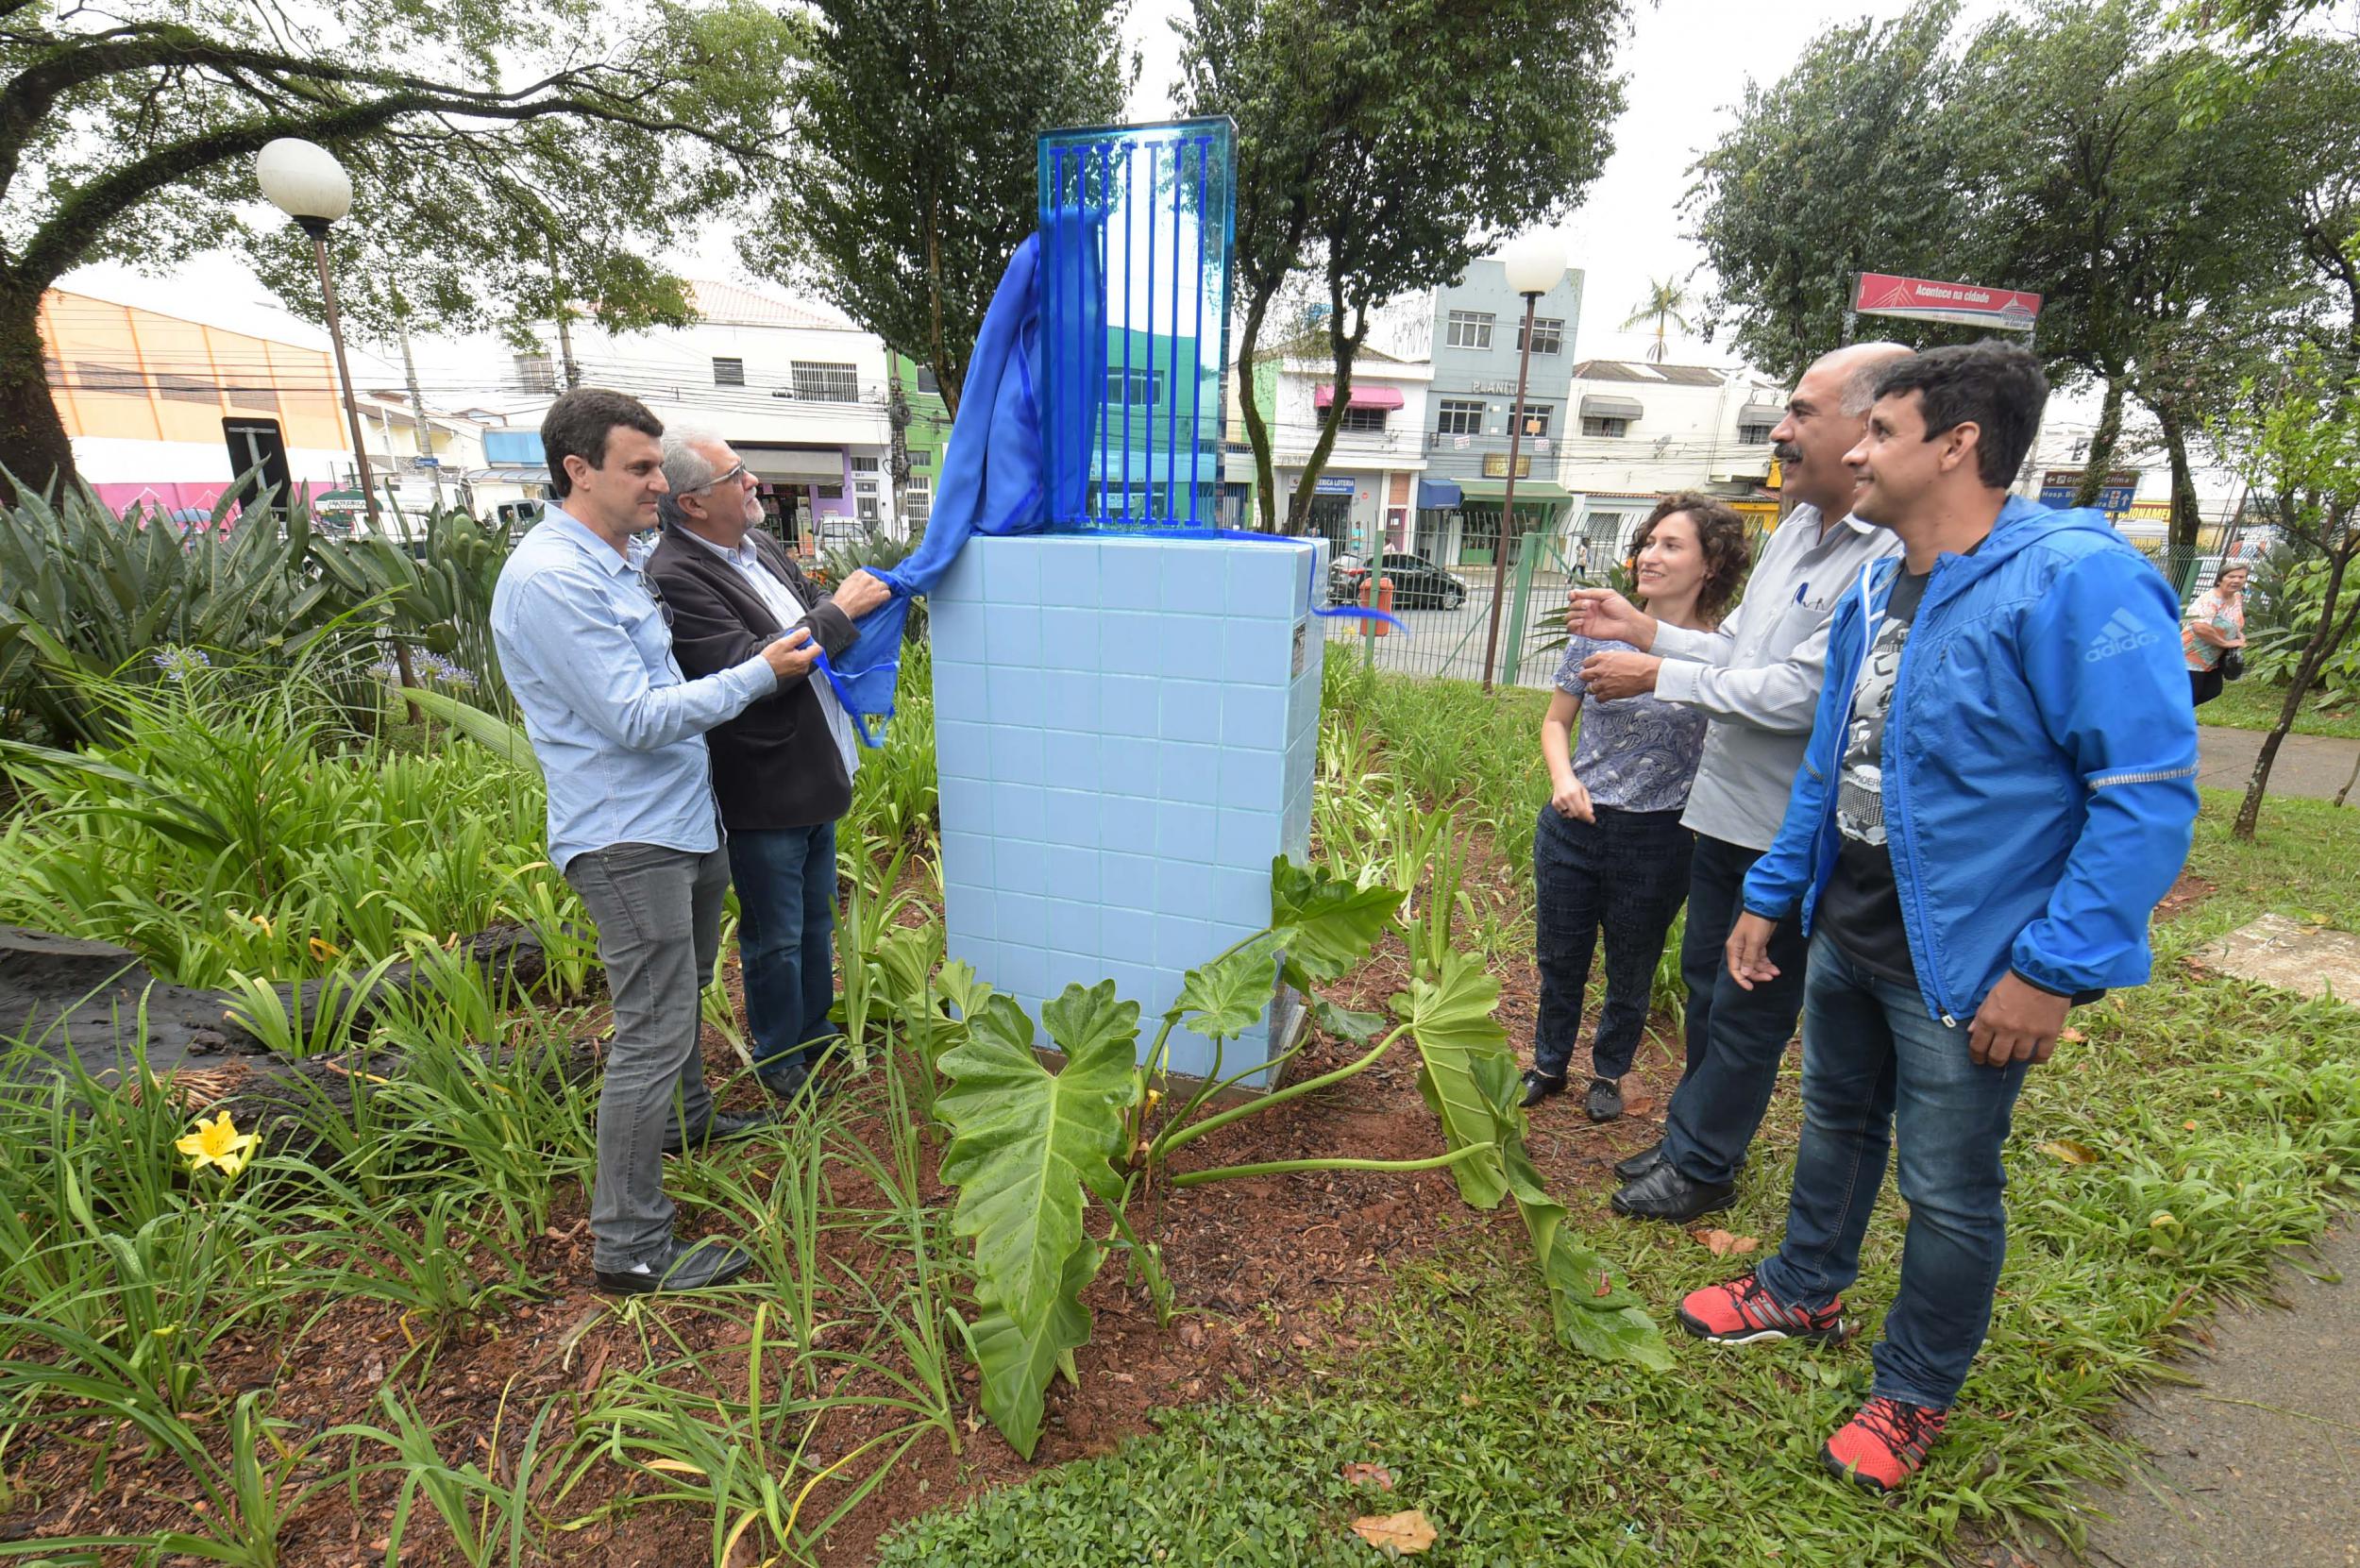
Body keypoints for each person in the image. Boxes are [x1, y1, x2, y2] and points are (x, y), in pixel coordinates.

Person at [1678, 342, 2199, 1492]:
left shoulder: (2079, 579)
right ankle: (1803, 1287)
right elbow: (1832, 761)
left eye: (1881, 431)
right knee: (1834, 1124)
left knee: (1949, 1185)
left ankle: (1912, 1390)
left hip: (1970, 960)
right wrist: (1773, 893)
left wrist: (2051, 969)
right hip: (1853, 926)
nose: (1853, 449)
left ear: (1956, 444)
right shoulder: (1879, 578)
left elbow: (2143, 796)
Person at [1566, 342, 1913, 1223]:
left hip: (1783, 826)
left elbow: (1804, 693)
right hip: (1718, 811)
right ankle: (1693, 1134)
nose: (1783, 430)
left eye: (1802, 413)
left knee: (1749, 1003)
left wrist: (1658, 675)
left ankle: (1706, 1163)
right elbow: (1739, 657)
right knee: (1709, 988)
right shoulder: (1796, 529)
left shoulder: (1884, 554)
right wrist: (1651, 633)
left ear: (1869, 427)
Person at [492, 388, 822, 1297]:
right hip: (625, 835)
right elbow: (634, 717)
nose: (657, 484)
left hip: (678, 818)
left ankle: (689, 1119)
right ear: (578, 470)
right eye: (639, 467)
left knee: (682, 998)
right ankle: (631, 1244)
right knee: (649, 1028)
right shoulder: (552, 579)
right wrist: (759, 673)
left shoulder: (616, 558)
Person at [648, 430, 892, 1104]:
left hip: (812, 771)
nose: (753, 483)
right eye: (737, 474)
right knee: (775, 933)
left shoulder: (757, 548)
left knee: (814, 918)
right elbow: (751, 664)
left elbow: (803, 630)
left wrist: (838, 618)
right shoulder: (674, 575)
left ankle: (812, 1029)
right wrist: (839, 612)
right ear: (693, 504)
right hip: (762, 785)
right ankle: (779, 1053)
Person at [1522, 495, 1750, 1121]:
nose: (1650, 554)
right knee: (1559, 954)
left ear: (1712, 564)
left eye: (1670, 545)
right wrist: (1562, 778)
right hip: (1575, 823)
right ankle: (1548, 1061)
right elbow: (1554, 721)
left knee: (1633, 962)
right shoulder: (1596, 631)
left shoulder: (1720, 656)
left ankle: (1608, 1071)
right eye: (1648, 542)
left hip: (1660, 835)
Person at [2182, 561, 2250, 707]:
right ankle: (2163, 721)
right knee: (2190, 696)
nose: (2237, 580)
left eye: (2241, 577)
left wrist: (2237, 634)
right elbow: (2200, 627)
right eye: (2231, 576)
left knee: (2212, 690)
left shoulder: (2236, 597)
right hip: (2192, 657)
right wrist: (2225, 643)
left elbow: (2232, 619)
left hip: (2214, 658)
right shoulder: (2208, 601)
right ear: (2220, 579)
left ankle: (2166, 716)